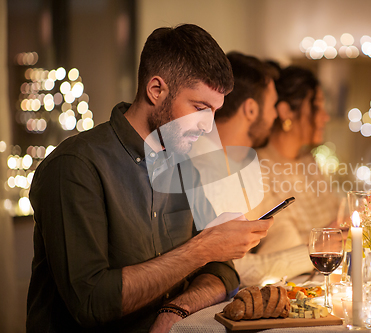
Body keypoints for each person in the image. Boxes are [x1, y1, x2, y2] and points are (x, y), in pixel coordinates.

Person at [26, 24, 273, 333]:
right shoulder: (75, 167)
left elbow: (222, 271)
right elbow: (92, 303)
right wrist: (203, 248)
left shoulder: (185, 165)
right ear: (156, 90)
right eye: (200, 108)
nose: (209, 127)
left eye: (215, 111)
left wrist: (175, 310)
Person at [191, 52, 319, 286]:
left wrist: (312, 248)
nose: (274, 116)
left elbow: (279, 230)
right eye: (271, 106)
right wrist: (312, 253)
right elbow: (231, 268)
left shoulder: (247, 163)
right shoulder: (198, 166)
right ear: (250, 110)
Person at [249, 65, 340, 256]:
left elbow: (337, 214)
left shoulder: (308, 160)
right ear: (285, 111)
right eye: (316, 106)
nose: (325, 116)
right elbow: (269, 252)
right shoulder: (258, 168)